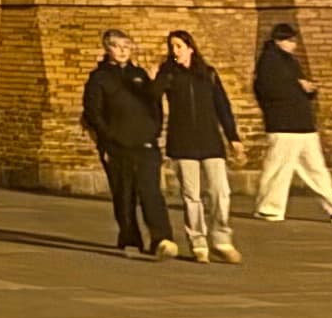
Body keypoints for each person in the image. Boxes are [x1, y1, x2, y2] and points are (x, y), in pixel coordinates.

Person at [250, 21, 332, 225]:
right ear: (278, 40)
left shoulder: (290, 62)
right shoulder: (269, 62)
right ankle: (269, 207)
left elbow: (295, 86)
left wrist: (308, 89)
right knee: (279, 168)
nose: (293, 44)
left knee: (315, 168)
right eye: (289, 40)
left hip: (302, 123)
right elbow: (268, 91)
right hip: (283, 124)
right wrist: (298, 86)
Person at [79, 28, 175, 255]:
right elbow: (93, 113)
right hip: (116, 144)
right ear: (107, 48)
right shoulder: (99, 78)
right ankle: (130, 237)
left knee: (151, 191)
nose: (122, 51)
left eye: (126, 46)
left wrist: (153, 133)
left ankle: (161, 239)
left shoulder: (139, 75)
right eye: (116, 46)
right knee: (124, 193)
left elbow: (155, 105)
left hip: (145, 143)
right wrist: (108, 139)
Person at [156, 26, 243, 263]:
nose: (176, 51)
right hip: (183, 142)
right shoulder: (170, 74)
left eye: (179, 46)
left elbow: (222, 107)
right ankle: (198, 242)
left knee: (220, 192)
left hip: (210, 140)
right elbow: (153, 96)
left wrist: (233, 137)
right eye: (172, 47)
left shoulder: (209, 74)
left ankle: (221, 238)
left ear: (191, 48)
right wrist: (164, 72)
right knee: (191, 195)